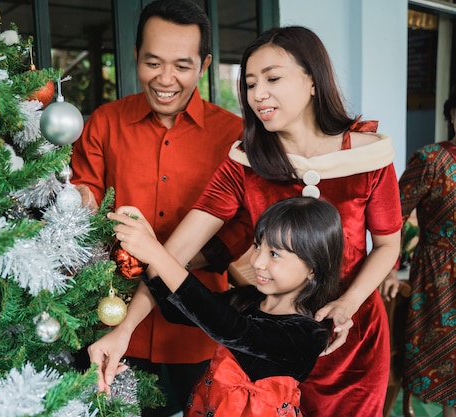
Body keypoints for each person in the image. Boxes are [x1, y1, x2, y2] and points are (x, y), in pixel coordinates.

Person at [88, 26, 402, 417]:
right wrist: (125, 329)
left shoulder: (368, 156)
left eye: (272, 78)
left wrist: (346, 305)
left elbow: (389, 244)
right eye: (250, 83)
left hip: (350, 340)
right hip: (264, 353)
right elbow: (172, 257)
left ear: (312, 81)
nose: (258, 95)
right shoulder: (245, 164)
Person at [70, 0, 245, 414]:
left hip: (195, 330)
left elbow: (243, 227)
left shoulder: (234, 135)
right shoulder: (104, 122)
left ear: (204, 66)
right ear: (135, 58)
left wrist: (167, 262)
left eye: (182, 66)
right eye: (153, 62)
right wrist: (74, 200)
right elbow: (85, 192)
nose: (166, 79)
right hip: (108, 320)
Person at [108, 196, 342, 416]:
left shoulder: (309, 333)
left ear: (314, 267)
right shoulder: (249, 299)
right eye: (257, 246)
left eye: (274, 254)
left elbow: (232, 330)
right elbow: (176, 310)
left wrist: (157, 253)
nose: (257, 262)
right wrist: (149, 251)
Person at [381, 91, 456, 416]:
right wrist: (387, 270)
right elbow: (391, 218)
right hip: (439, 277)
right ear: (452, 116)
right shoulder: (431, 159)